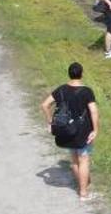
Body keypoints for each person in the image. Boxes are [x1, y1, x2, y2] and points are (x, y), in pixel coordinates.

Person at [41, 62, 100, 199]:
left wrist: (50, 122)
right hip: (83, 131)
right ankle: (83, 193)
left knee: (74, 161)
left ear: (69, 73)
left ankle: (83, 184)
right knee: (84, 160)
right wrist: (95, 130)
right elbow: (94, 111)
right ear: (82, 74)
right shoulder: (86, 91)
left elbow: (44, 105)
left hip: (66, 130)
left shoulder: (61, 89)